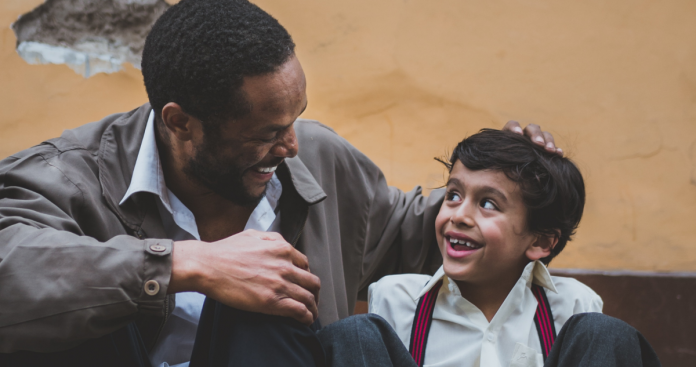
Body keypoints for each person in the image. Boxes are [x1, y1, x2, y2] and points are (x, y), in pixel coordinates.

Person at [0, 1, 561, 366]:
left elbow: (412, 233)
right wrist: (185, 264)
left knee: (283, 296)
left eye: (295, 120)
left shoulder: (317, 156)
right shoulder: (65, 175)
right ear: (179, 123)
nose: (291, 146)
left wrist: (510, 191)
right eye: (268, 133)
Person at [362, 129, 660, 367]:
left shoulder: (571, 308)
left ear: (541, 241)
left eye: (488, 203)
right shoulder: (398, 300)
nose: (459, 215)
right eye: (453, 195)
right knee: (352, 334)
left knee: (606, 334)